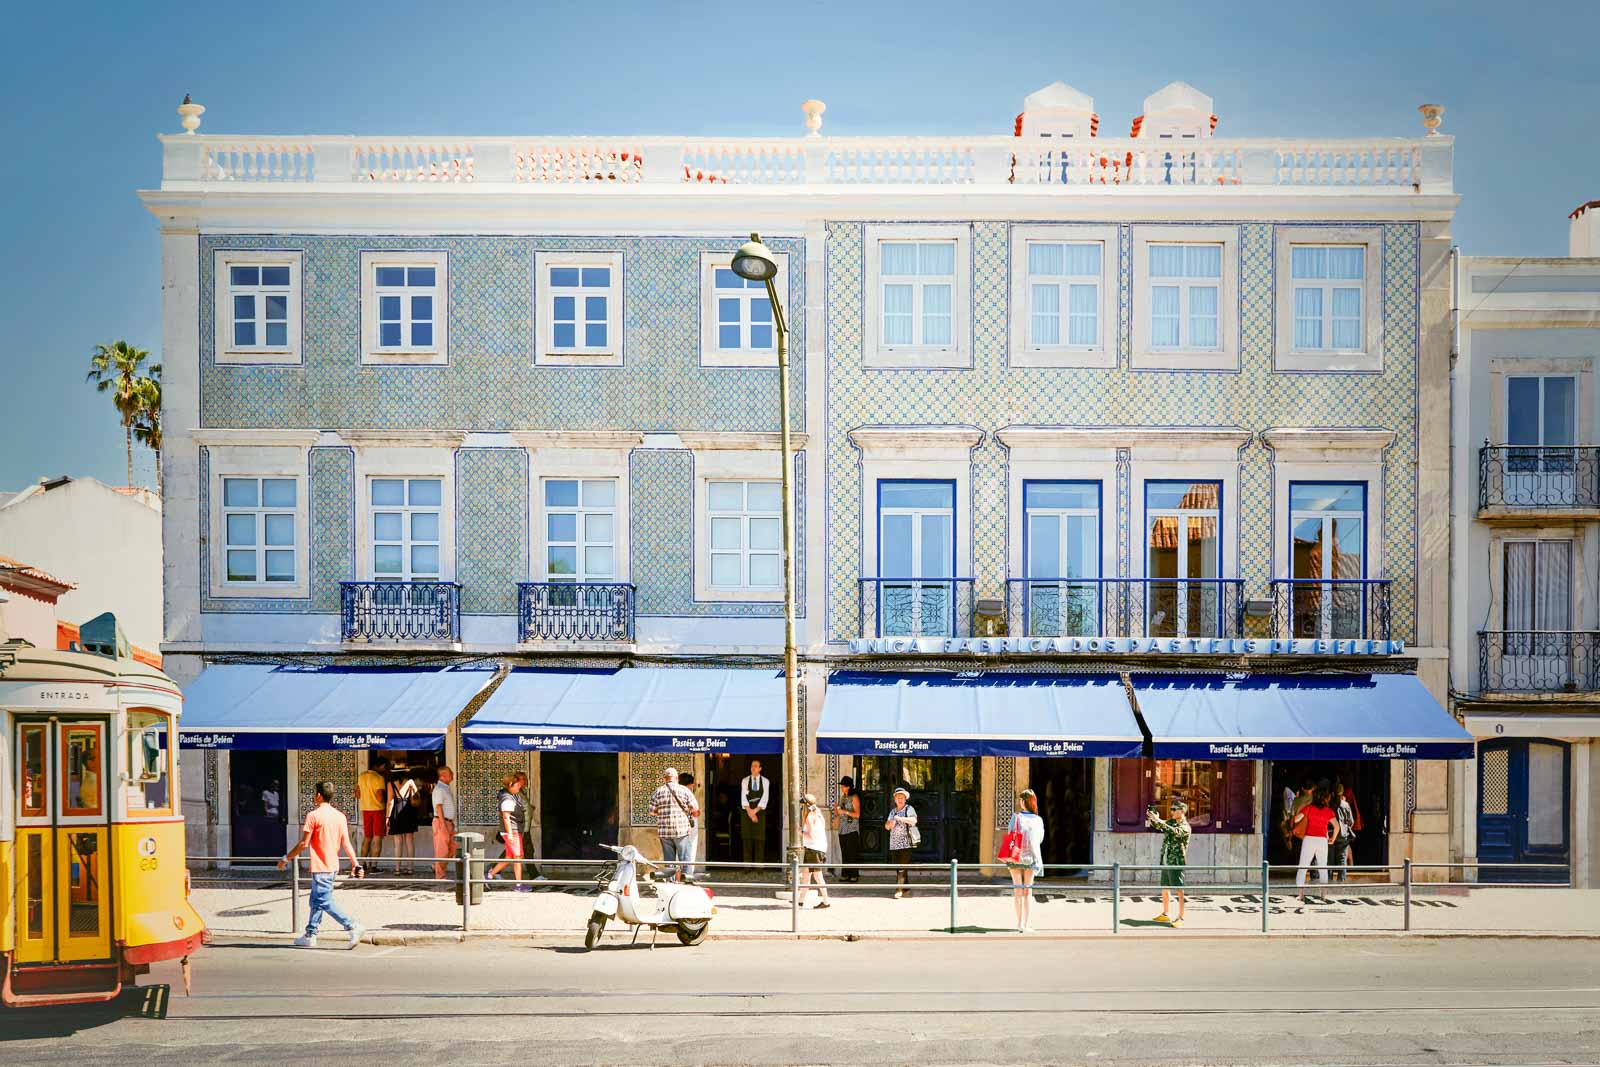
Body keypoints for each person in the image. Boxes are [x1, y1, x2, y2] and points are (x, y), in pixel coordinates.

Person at [279, 779, 365, 948]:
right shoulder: (340, 816)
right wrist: (356, 863)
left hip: (321, 867)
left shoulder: (313, 816)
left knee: (323, 901)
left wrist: (286, 858)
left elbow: (304, 843)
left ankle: (353, 926)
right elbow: (346, 843)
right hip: (332, 866)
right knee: (316, 901)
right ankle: (311, 934)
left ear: (318, 795)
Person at [1005, 788, 1046, 933]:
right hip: (1031, 858)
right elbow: (1040, 839)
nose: (1020, 802)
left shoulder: (1015, 817)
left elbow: (1010, 833)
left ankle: (1019, 924)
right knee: (1028, 892)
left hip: (1016, 856)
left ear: (1023, 802)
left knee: (1017, 891)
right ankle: (1027, 925)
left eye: (1021, 800)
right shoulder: (1038, 820)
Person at [648, 767, 700, 880]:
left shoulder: (658, 791)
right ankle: (685, 882)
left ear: (665, 779)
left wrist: (662, 812)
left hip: (664, 832)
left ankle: (670, 884)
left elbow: (651, 812)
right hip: (681, 831)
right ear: (676, 778)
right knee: (685, 860)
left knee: (669, 861)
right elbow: (695, 810)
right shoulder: (685, 790)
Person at [1147, 796, 1191, 927]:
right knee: (1165, 886)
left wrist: (1159, 820)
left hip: (1177, 861)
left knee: (1179, 889)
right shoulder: (1171, 821)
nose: (1171, 812)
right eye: (1171, 809)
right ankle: (1166, 914)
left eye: (1174, 809)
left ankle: (1181, 917)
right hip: (1167, 859)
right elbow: (1161, 826)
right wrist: (1152, 817)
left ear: (1182, 811)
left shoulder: (1185, 827)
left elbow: (1174, 831)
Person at [1292, 785, 1340, 894]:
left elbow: (1295, 820)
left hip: (1309, 839)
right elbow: (1337, 826)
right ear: (1326, 799)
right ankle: (1323, 893)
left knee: (1303, 866)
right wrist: (1333, 838)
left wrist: (1301, 808)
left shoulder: (1309, 808)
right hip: (1322, 841)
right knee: (1323, 867)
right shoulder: (1329, 811)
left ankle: (1300, 893)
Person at [488, 773, 532, 890]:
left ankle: (489, 875)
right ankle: (518, 884)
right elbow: (506, 817)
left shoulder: (513, 795)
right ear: (511, 784)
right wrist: (510, 834)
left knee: (509, 857)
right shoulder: (507, 799)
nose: (519, 787)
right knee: (518, 857)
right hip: (512, 830)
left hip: (514, 830)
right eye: (517, 785)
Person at [797, 793, 832, 909]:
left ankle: (826, 901)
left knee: (818, 877)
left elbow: (811, 835)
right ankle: (800, 902)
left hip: (814, 849)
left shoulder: (809, 817)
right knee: (806, 876)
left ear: (805, 806)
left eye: (802, 806)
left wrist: (800, 832)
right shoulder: (818, 814)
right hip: (815, 849)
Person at [885, 786, 918, 899]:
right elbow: (887, 826)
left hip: (906, 843)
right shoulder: (892, 811)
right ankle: (906, 887)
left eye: (902, 797)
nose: (900, 799)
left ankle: (898, 890)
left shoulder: (909, 808)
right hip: (894, 843)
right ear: (895, 799)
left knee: (901, 867)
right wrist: (891, 822)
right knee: (898, 866)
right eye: (898, 797)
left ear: (905, 799)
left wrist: (901, 819)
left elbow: (914, 821)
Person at [357, 757, 391, 861]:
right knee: (377, 838)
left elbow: (357, 794)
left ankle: (362, 864)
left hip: (365, 810)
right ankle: (374, 866)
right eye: (385, 767)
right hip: (378, 810)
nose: (385, 770)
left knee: (367, 838)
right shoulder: (379, 778)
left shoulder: (361, 776)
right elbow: (380, 797)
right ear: (381, 766)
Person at [740, 759, 770, 868]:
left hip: (760, 812)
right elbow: (743, 797)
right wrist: (750, 812)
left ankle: (759, 867)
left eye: (756, 766)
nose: (753, 768)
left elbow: (765, 798)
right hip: (747, 812)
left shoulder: (765, 781)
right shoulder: (745, 780)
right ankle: (747, 866)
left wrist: (755, 811)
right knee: (747, 839)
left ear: (760, 768)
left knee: (759, 839)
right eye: (752, 766)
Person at [389, 772, 420, 875]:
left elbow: (390, 801)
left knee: (397, 843)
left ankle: (397, 869)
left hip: (396, 811)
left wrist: (387, 817)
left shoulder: (391, 783)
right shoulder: (410, 782)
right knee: (409, 841)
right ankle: (410, 868)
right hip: (408, 811)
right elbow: (417, 796)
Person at [833, 776, 862, 882]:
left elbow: (857, 814)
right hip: (842, 828)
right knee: (844, 852)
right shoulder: (843, 797)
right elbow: (839, 813)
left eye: (843, 786)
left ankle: (854, 874)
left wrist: (844, 812)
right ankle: (845, 874)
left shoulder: (854, 797)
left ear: (848, 786)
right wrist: (837, 809)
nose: (841, 787)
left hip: (852, 829)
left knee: (852, 853)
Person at [431, 766, 457, 881]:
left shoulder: (446, 788)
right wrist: (443, 824)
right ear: (442, 776)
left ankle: (437, 866)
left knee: (453, 848)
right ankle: (440, 876)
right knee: (442, 851)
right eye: (450, 773)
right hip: (442, 822)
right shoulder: (439, 789)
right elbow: (438, 807)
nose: (452, 775)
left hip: (448, 823)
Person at [1330, 775, 1357, 881]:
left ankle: (1329, 880)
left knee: (1329, 860)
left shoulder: (1329, 805)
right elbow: (1351, 821)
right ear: (1342, 793)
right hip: (1343, 835)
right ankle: (1341, 882)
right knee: (1342, 859)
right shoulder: (1345, 805)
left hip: (1331, 835)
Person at [677, 772, 700, 881]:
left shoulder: (674, 793)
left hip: (675, 826)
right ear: (690, 784)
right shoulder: (688, 794)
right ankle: (687, 877)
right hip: (689, 826)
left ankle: (676, 878)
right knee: (690, 850)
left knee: (677, 853)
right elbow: (695, 812)